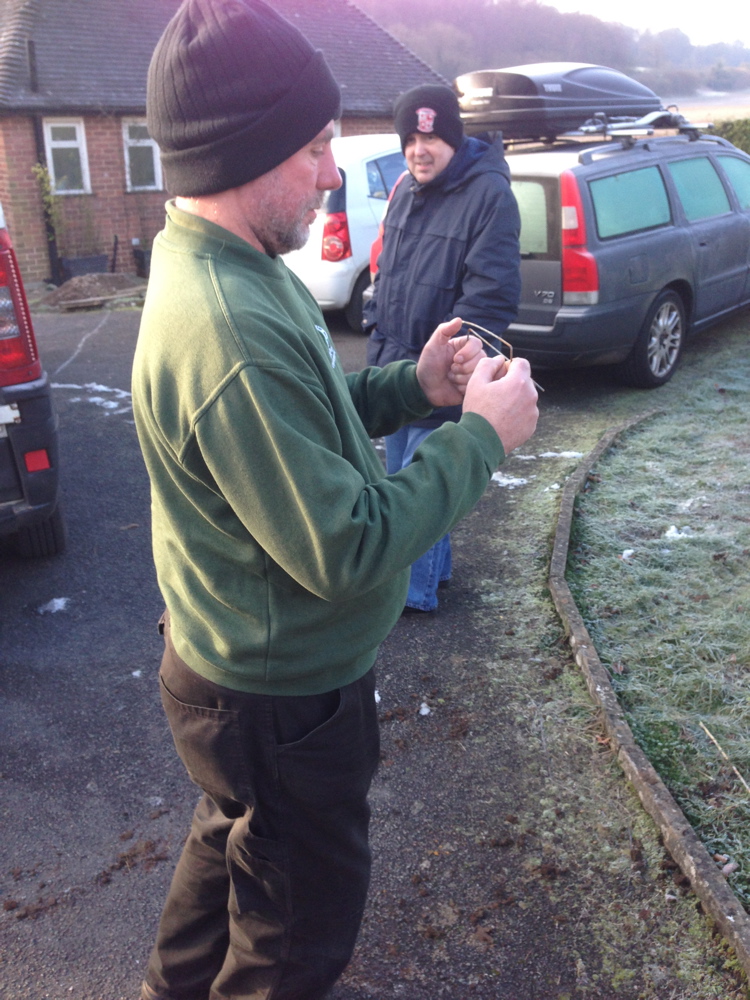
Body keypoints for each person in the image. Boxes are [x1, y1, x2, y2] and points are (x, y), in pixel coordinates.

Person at [131, 2, 538, 998]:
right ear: (245, 150)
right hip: (280, 698)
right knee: (293, 941)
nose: (332, 171)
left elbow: (307, 413)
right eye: (314, 148)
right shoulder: (225, 322)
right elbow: (351, 550)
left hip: (235, 669)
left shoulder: (235, 264)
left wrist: (414, 390)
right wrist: (483, 437)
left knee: (230, 851)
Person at [365, 84, 522, 613]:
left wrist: (463, 364)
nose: (418, 150)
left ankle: (411, 596)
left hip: (445, 370)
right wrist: (377, 330)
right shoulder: (408, 189)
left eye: (430, 138)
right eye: (410, 138)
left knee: (420, 488)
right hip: (398, 364)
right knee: (405, 476)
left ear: (452, 138)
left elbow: (492, 295)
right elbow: (390, 270)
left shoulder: (490, 195)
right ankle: (437, 573)